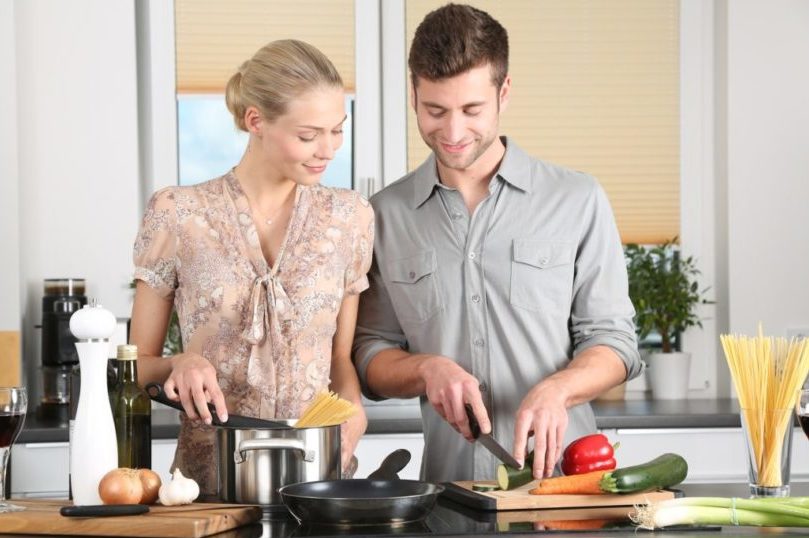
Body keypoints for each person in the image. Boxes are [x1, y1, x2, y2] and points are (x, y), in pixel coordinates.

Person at [352, 4, 642, 483]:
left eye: (471, 110)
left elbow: (614, 342)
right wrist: (426, 369)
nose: (452, 132)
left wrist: (560, 389)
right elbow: (370, 353)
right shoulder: (385, 215)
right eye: (435, 110)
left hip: (568, 489)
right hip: (448, 494)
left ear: (504, 93)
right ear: (413, 95)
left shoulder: (576, 199)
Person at [130, 39, 374, 493]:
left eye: (337, 130)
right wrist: (179, 363)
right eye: (308, 135)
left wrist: (353, 406)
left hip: (317, 481)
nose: (328, 149)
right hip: (207, 487)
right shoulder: (178, 213)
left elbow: (339, 357)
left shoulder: (351, 217)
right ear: (255, 120)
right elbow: (132, 368)